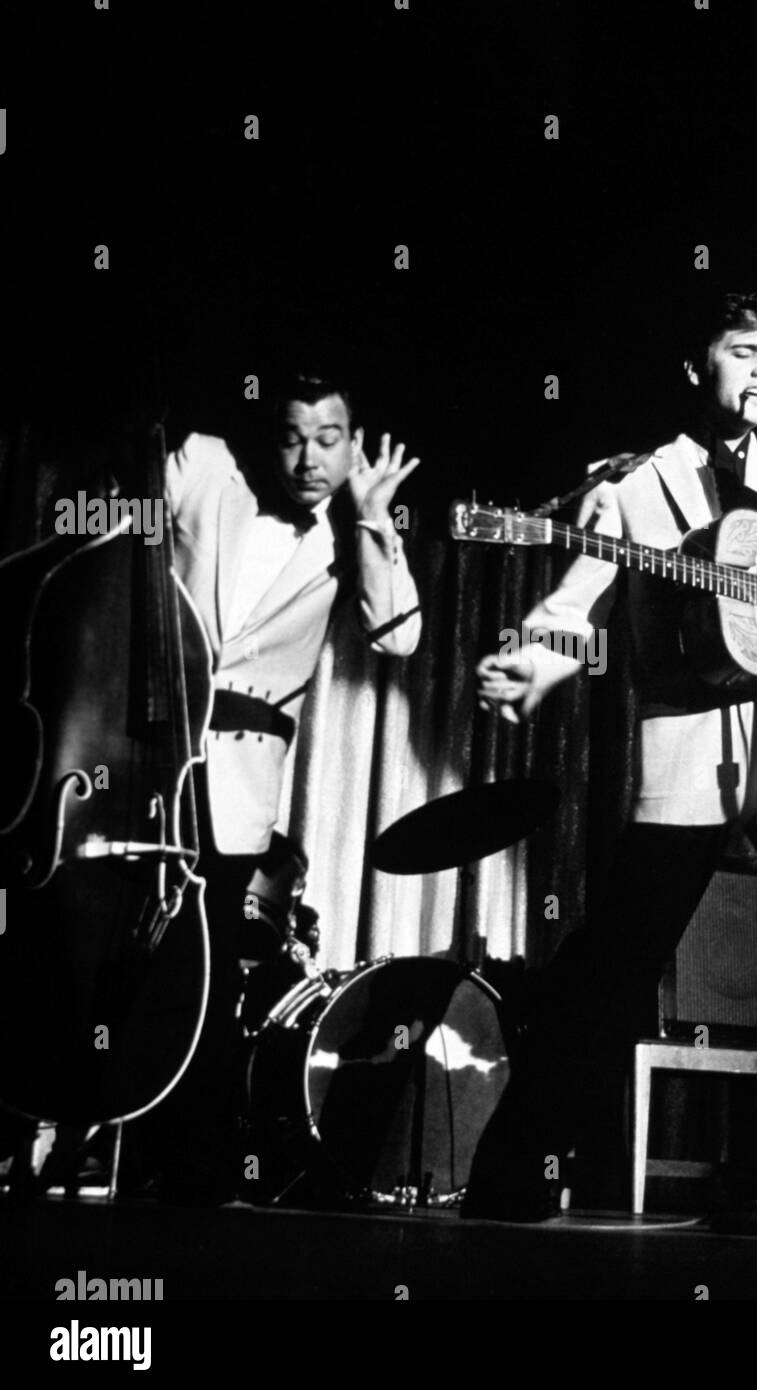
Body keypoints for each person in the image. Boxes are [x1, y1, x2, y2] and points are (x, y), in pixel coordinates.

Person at [464, 291, 757, 1227]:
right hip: (691, 747)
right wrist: (530, 662)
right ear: (695, 369)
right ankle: (515, 1172)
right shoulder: (638, 485)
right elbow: (575, 605)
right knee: (616, 954)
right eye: (741, 351)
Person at [136, 368, 422, 1201]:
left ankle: (184, 1158)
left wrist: (372, 517)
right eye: (293, 436)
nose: (308, 459)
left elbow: (398, 637)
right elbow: (112, 535)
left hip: (238, 780)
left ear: (353, 445)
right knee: (123, 948)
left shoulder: (349, 532)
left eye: (328, 440)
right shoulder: (205, 464)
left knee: (207, 965)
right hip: (143, 746)